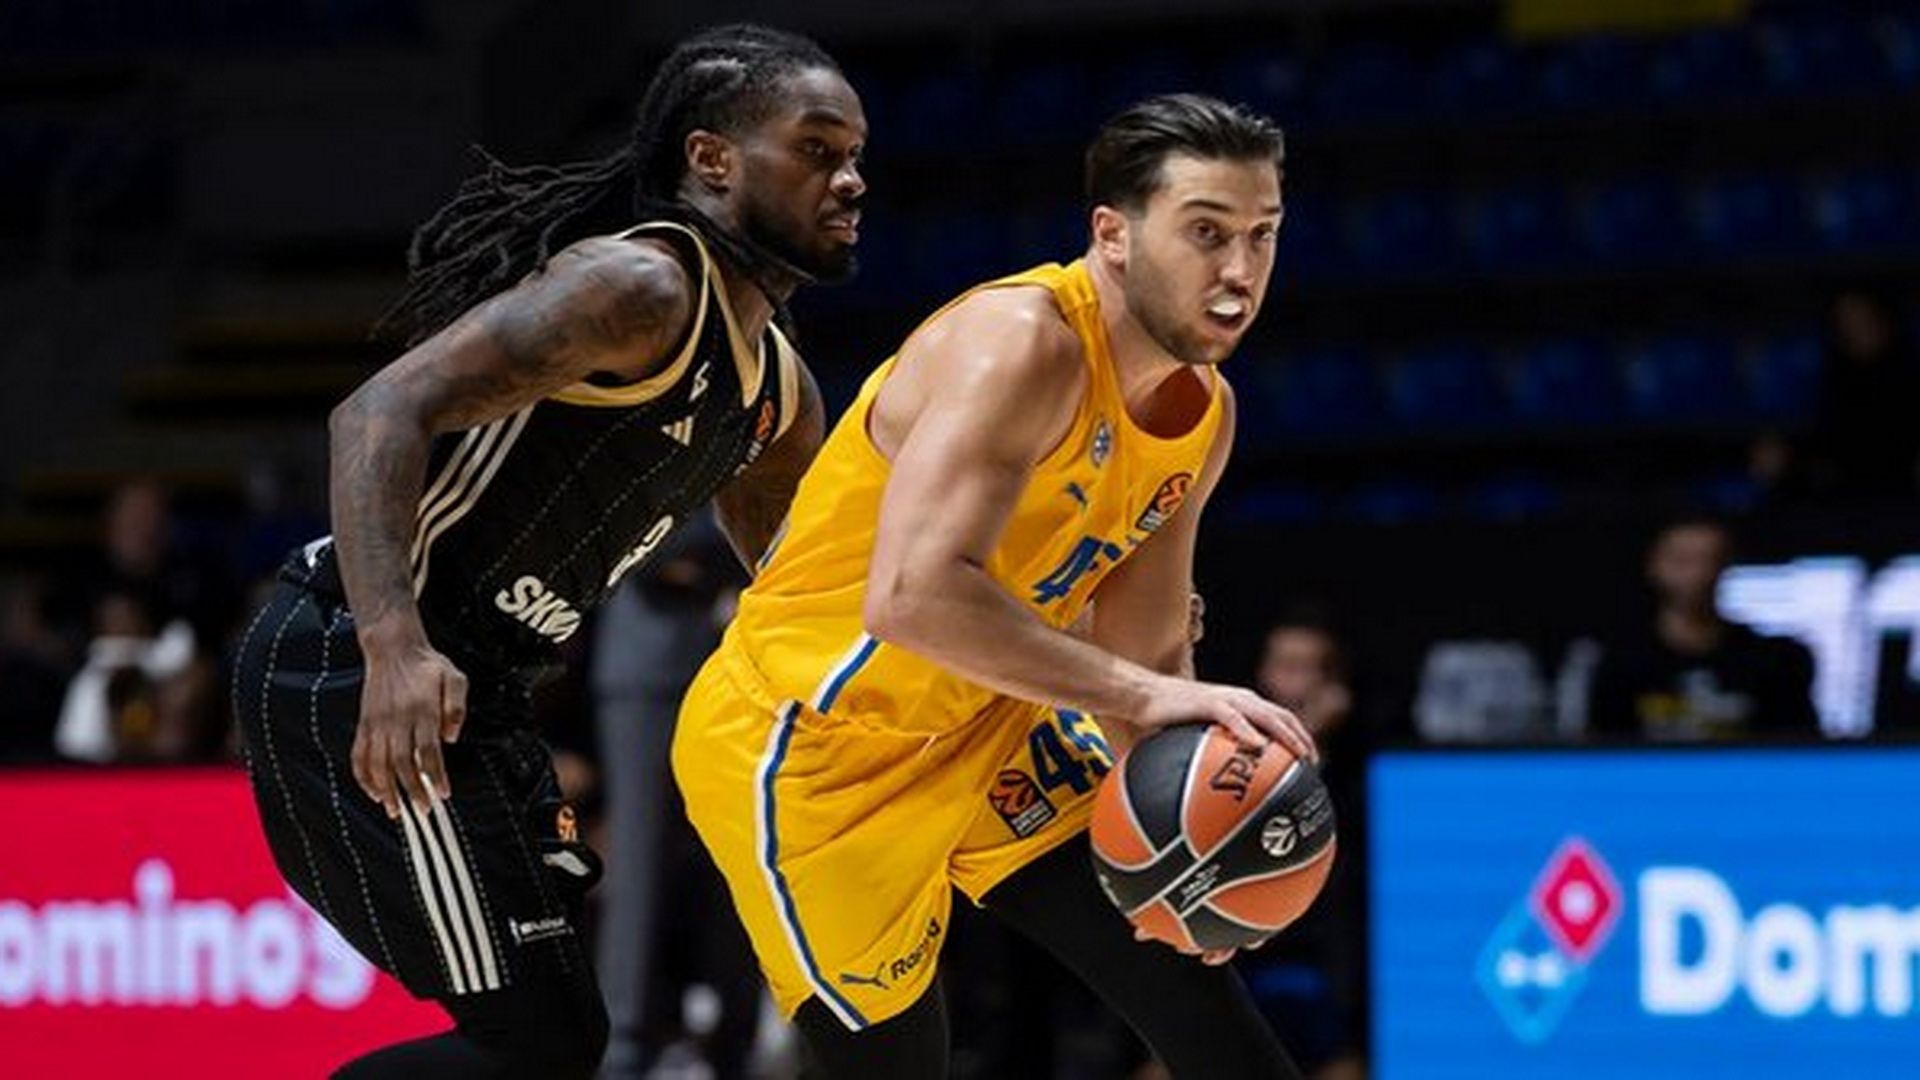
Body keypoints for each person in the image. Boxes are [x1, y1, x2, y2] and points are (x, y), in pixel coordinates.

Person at [230, 24, 864, 1077]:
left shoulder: (779, 398)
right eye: (816, 149)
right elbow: (377, 413)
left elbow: (802, 590)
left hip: (486, 691)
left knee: (558, 1036)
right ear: (712, 160)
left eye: (854, 157)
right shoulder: (640, 287)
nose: (849, 180)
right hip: (357, 659)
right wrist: (393, 648)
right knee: (535, 1041)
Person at [674, 93, 1314, 1077]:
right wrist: (1145, 694)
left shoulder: (1204, 412)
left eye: (1261, 234)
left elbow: (1146, 652)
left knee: (1208, 1015)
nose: (1239, 270)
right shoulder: (1019, 342)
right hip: (813, 750)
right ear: (1113, 234)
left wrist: (1188, 845)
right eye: (1206, 232)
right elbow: (913, 597)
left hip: (993, 719)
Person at [1588, 517, 1818, 741]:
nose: (1699, 574)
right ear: (1654, 565)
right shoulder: (1619, 662)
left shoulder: (1775, 660)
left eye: (1711, 560)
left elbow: (1801, 747)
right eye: (1683, 561)